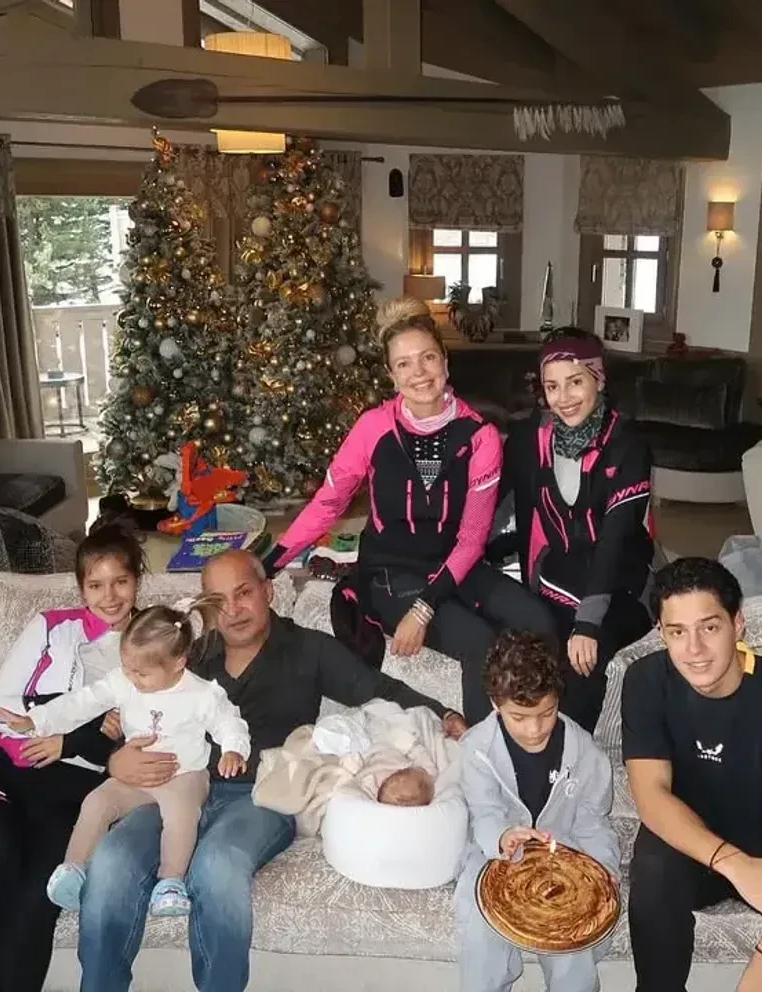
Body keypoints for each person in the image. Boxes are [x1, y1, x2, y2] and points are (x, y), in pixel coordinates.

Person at [77, 550, 468, 992]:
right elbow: (133, 716)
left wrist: (445, 714)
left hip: (261, 796)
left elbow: (378, 689)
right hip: (174, 788)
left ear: (269, 592)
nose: (233, 609)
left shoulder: (309, 648)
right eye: (219, 600)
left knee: (217, 866)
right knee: (111, 860)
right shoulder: (187, 657)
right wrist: (117, 759)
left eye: (244, 593)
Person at [258, 296, 554, 723]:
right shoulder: (372, 428)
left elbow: (472, 539)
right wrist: (269, 564)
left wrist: (424, 608)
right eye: (404, 363)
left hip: (457, 565)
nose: (419, 372)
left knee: (537, 620)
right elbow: (328, 503)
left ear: (445, 362)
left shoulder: (480, 436)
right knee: (482, 644)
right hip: (391, 573)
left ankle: (542, 734)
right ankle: (480, 753)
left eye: (427, 357)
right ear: (391, 375)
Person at [0, 520, 142, 992]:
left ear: (137, 582)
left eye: (121, 582)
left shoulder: (149, 644)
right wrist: (84, 731)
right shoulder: (52, 627)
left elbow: (147, 735)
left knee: (39, 897)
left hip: (74, 799)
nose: (109, 597)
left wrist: (75, 740)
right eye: (96, 585)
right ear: (81, 589)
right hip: (4, 776)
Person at [624, 558, 762, 992]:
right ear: (661, 633)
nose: (694, 649)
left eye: (709, 627)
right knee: (652, 870)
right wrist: (734, 864)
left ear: (737, 624)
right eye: (677, 632)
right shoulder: (647, 681)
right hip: (692, 838)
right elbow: (651, 796)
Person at [0, 602, 251, 918]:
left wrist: (233, 749)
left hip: (183, 775)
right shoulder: (123, 681)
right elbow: (80, 703)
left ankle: (170, 881)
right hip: (135, 776)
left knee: (181, 814)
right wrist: (36, 720)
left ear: (178, 663)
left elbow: (229, 722)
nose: (131, 677)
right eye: (127, 667)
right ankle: (73, 869)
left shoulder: (202, 694)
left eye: (141, 673)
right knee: (97, 801)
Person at [498, 328, 655, 731]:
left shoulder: (627, 444)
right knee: (526, 652)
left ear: (598, 380)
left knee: (584, 660)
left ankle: (569, 752)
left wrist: (587, 625)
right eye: (552, 386)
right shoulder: (530, 439)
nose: (563, 398)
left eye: (575, 382)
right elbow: (495, 503)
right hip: (556, 577)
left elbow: (615, 540)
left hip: (620, 585)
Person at [456, 630, 620, 992]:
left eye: (546, 713)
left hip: (564, 858)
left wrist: (604, 870)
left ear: (558, 698)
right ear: (495, 703)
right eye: (519, 717)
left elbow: (593, 823)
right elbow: (482, 812)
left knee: (573, 933)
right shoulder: (476, 749)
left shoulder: (586, 754)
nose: (534, 729)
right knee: (480, 930)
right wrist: (502, 837)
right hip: (494, 858)